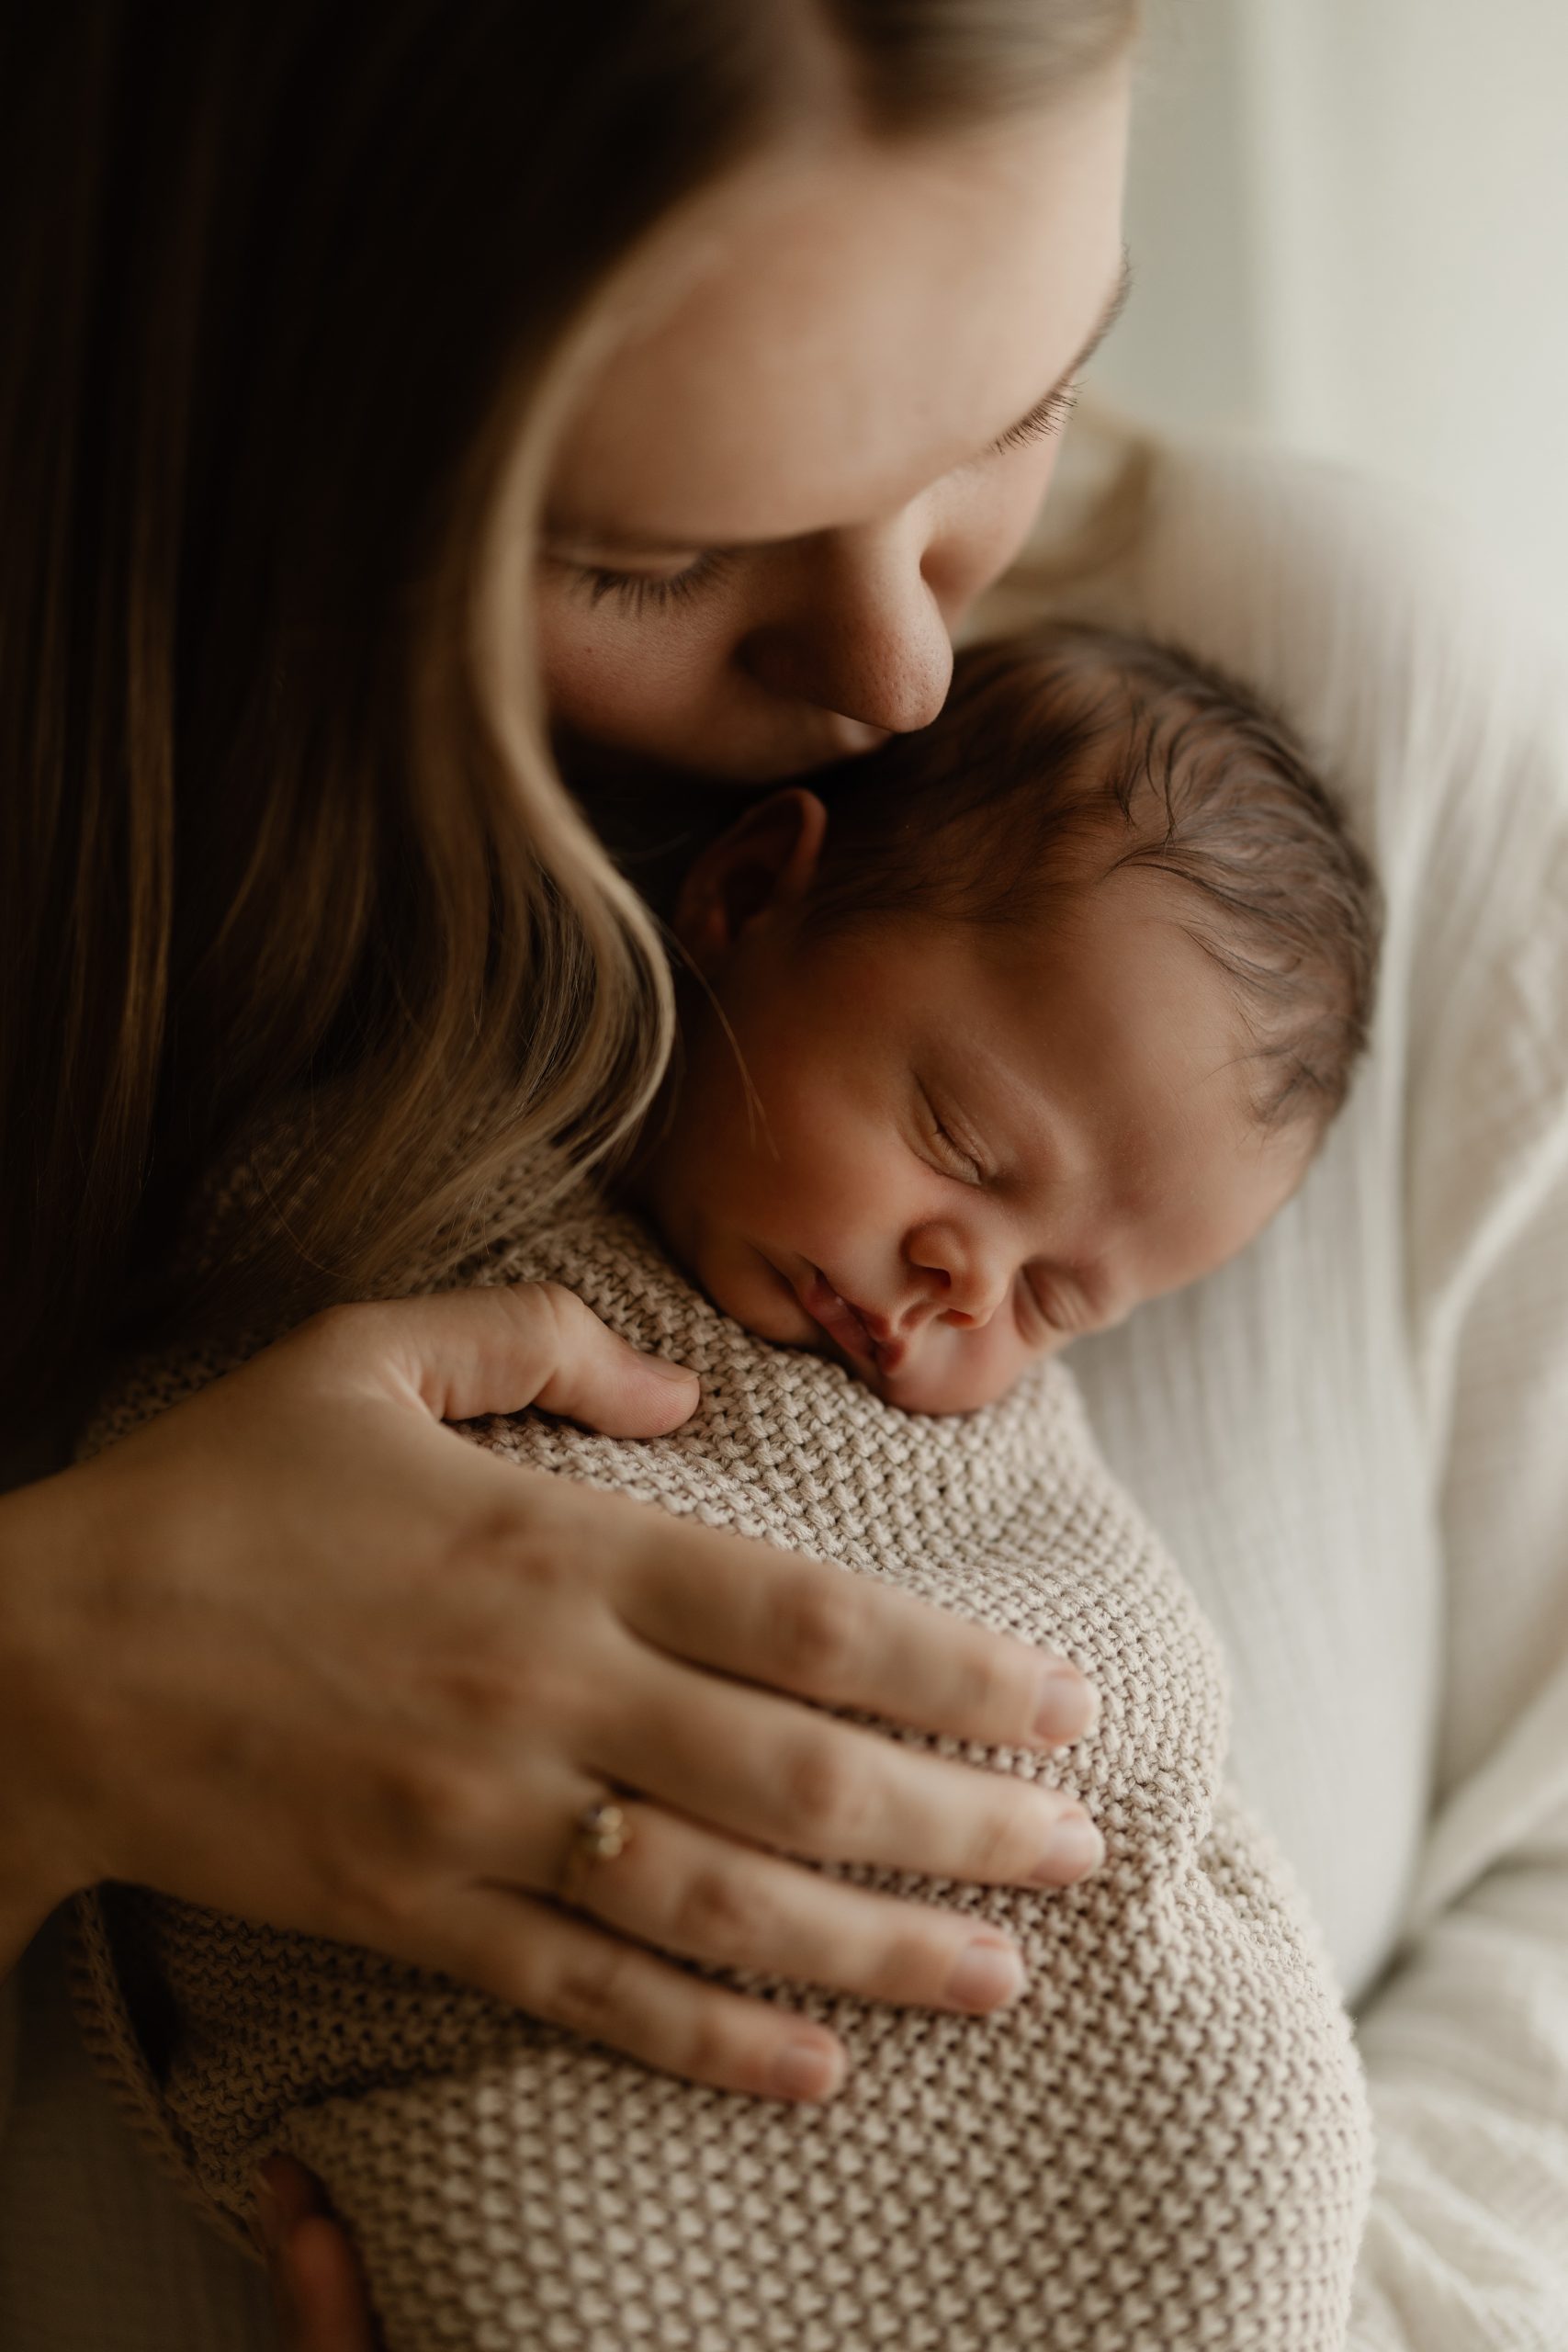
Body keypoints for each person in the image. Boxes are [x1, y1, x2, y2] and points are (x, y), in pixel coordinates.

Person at [5, 6, 1567, 2349]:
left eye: (1014, 407)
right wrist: (48, 1693)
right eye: (649, 555)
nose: (904, 664)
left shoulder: (1334, 736)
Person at [67, 616, 1384, 2348]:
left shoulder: (984, 1443)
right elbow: (212, 1467)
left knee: (1240, 2143)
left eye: (1065, 1301)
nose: (964, 1289)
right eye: (965, 1152)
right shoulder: (430, 1171)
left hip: (1092, 2098)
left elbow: (1130, 1718)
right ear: (756, 892)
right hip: (584, 2100)